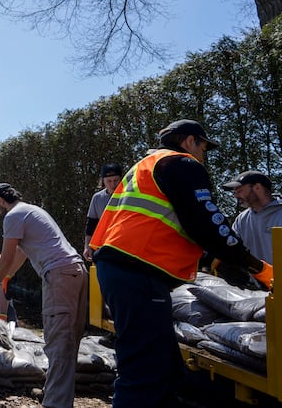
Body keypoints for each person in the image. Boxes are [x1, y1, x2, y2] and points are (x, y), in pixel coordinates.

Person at [89, 119, 274, 408]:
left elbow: (176, 223)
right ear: (190, 141)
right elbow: (208, 222)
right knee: (144, 371)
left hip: (122, 269)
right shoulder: (182, 163)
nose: (203, 156)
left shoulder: (144, 167)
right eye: (203, 148)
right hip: (139, 273)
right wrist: (254, 266)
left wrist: (213, 258)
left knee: (166, 367)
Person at [0, 183, 88, 408]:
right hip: (76, 271)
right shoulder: (31, 210)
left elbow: (7, 254)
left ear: (0, 200)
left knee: (58, 341)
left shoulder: (13, 216)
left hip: (59, 275)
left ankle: (55, 403)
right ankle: (54, 393)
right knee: (69, 340)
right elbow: (21, 252)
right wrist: (8, 276)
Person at [221, 170, 282, 265]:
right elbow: (233, 250)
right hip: (253, 275)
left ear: (257, 188)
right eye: (235, 192)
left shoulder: (279, 214)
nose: (235, 196)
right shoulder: (242, 219)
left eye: (239, 191)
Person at [83, 163, 123, 260]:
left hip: (123, 246)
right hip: (104, 246)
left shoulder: (129, 196)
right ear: (103, 181)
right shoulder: (97, 198)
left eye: (116, 180)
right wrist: (87, 247)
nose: (113, 184)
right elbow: (91, 224)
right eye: (109, 181)